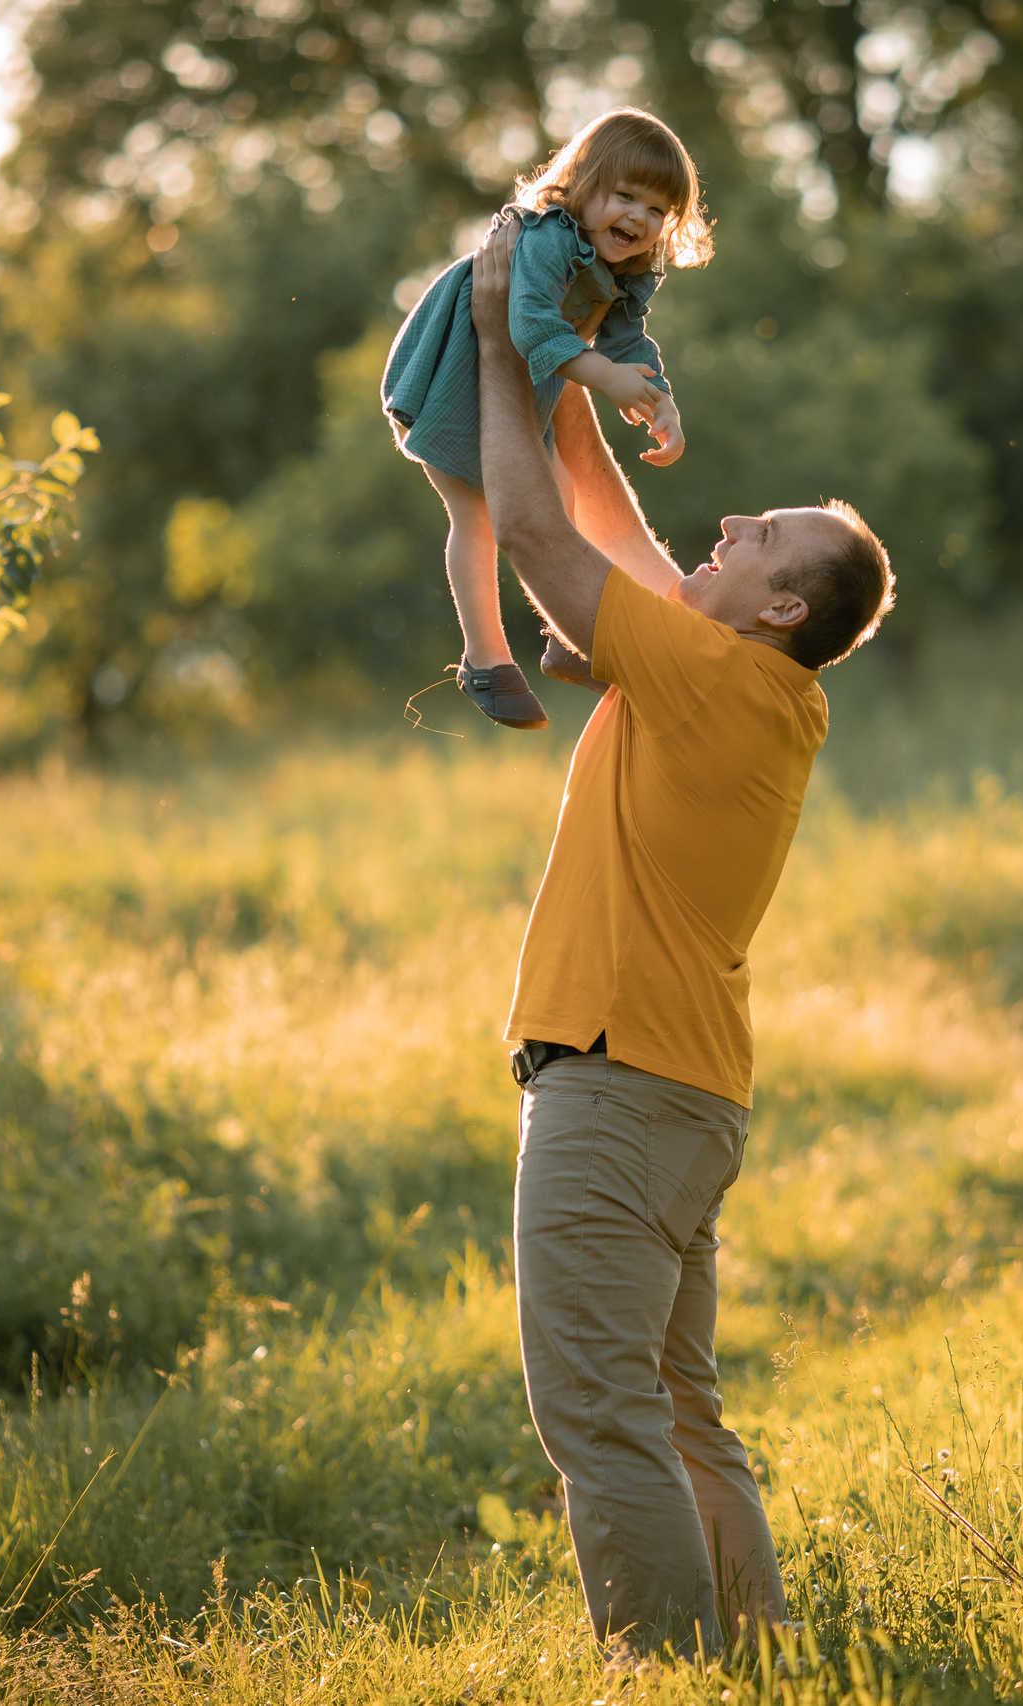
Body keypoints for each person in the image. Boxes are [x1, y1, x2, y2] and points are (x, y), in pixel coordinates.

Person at [464, 212, 896, 1659]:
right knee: (671, 1404)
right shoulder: (743, 679)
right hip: (676, 1090)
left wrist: (491, 342)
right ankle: (753, 1659)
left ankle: (666, 1671)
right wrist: (569, 350)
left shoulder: (718, 680)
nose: (724, 527)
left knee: (598, 1410)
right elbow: (606, 521)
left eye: (755, 536)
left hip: (621, 1084)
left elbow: (537, 535)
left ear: (779, 605)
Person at [381, 108, 711, 731]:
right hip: (452, 378)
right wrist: (604, 377)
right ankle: (484, 659)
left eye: (657, 209)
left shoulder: (625, 268)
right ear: (583, 184)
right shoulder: (548, 236)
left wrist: (658, 398)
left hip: (517, 388)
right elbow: (530, 325)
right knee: (477, 516)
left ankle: (571, 634)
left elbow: (627, 342)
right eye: (625, 196)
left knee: (559, 495)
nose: (639, 218)